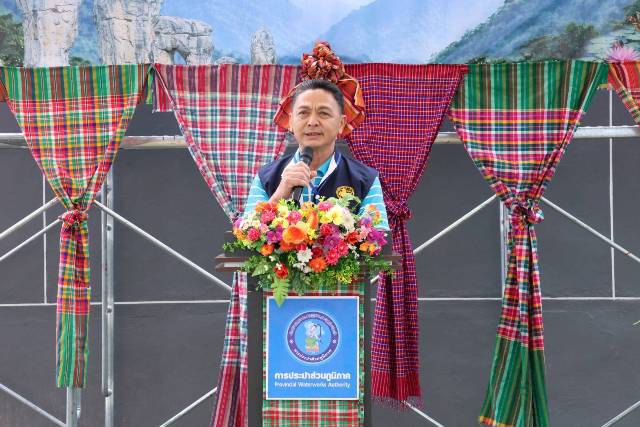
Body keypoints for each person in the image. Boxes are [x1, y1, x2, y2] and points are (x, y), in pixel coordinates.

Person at [243, 79, 389, 230]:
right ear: (291, 121)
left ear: (341, 123)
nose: (312, 122)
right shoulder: (266, 177)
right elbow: (245, 236)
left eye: (323, 113)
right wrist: (280, 193)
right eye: (303, 113)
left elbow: (379, 238)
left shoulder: (365, 179)